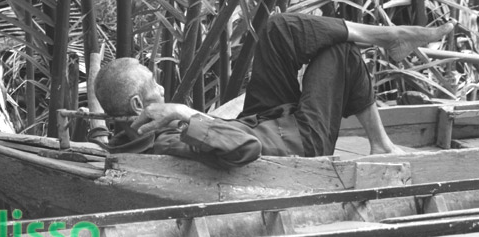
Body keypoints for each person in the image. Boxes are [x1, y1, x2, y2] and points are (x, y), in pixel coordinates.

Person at [94, 13, 454, 168]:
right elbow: (247, 147)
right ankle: (382, 144)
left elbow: (111, 137)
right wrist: (185, 113)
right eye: (153, 83)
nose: (162, 86)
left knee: (279, 29)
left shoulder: (129, 135)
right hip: (298, 142)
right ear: (139, 102)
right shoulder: (166, 142)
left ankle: (390, 37)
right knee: (338, 50)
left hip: (259, 120)